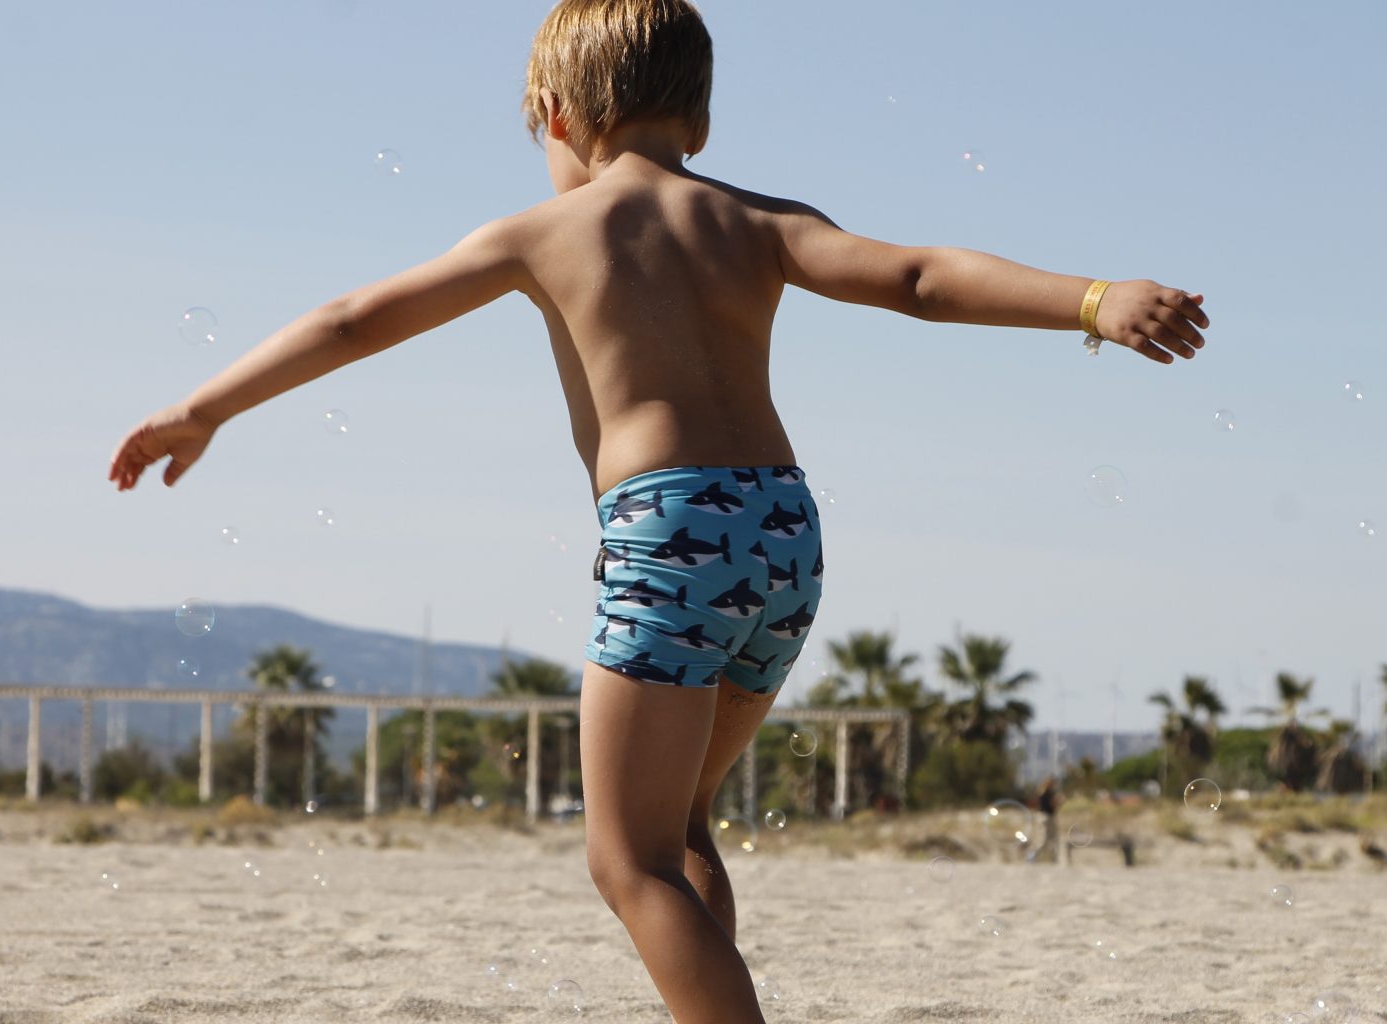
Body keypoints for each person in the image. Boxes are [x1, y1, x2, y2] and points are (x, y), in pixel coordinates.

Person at [108, 2, 1209, 1019]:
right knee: (679, 830)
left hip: (669, 530)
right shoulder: (753, 218)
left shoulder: (545, 232)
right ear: (700, 114)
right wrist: (1089, 298)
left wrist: (201, 407)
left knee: (622, 860)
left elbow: (350, 320)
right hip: (782, 531)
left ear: (559, 114)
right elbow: (917, 278)